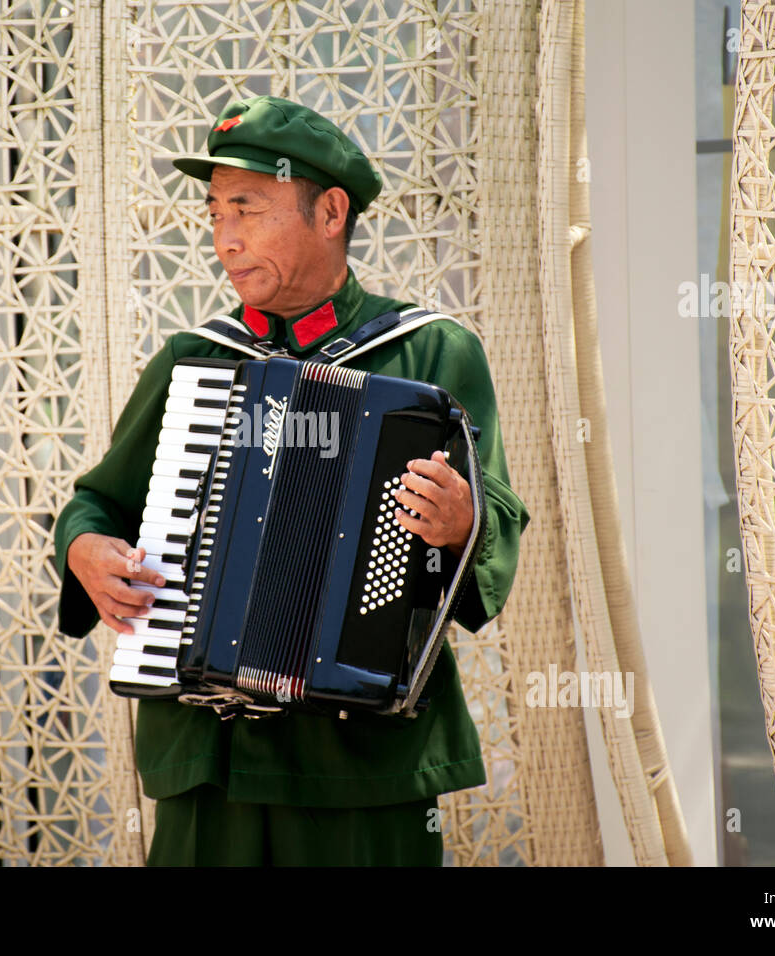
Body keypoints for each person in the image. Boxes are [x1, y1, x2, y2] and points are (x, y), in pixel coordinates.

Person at [54, 94, 530, 865]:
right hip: (210, 764)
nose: (226, 240)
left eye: (248, 209)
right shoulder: (193, 361)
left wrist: (462, 522)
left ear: (331, 211)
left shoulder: (432, 354)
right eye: (215, 214)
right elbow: (99, 501)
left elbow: (497, 521)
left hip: (365, 767)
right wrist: (87, 552)